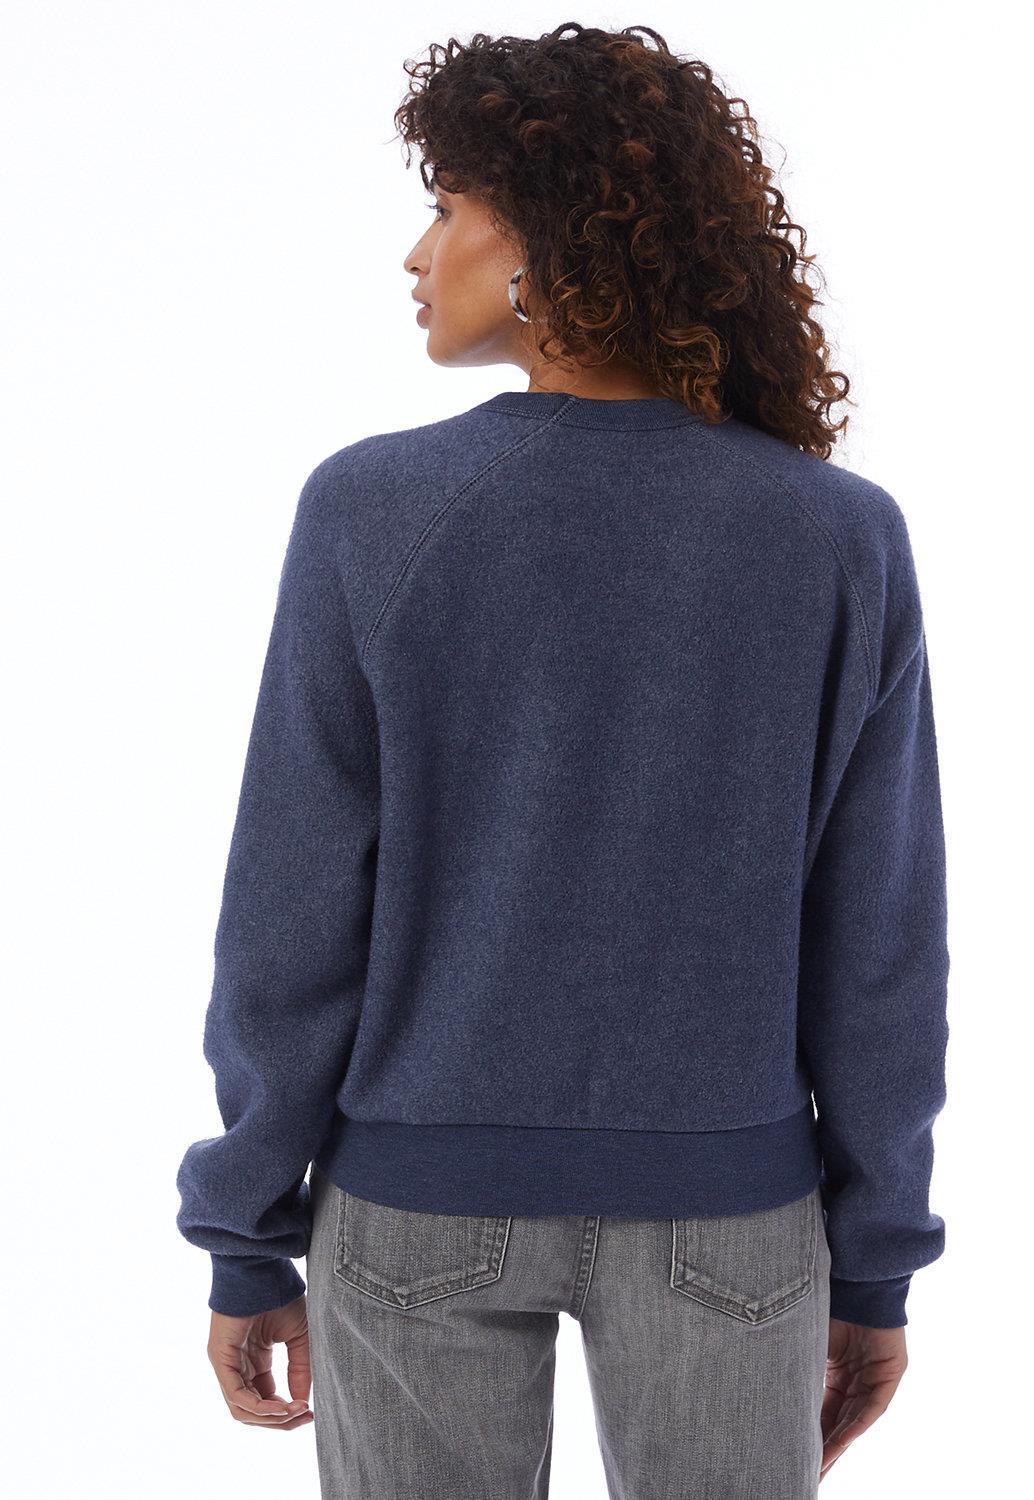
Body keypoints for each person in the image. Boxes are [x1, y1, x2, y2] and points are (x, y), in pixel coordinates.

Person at [175, 22, 950, 1499]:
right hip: (732, 1215)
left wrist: (245, 1229)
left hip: (414, 1205)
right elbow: (880, 947)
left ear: (549, 233)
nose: (417, 254)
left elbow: (289, 910)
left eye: (447, 208)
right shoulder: (836, 535)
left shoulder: (372, 510)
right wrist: (873, 1261)